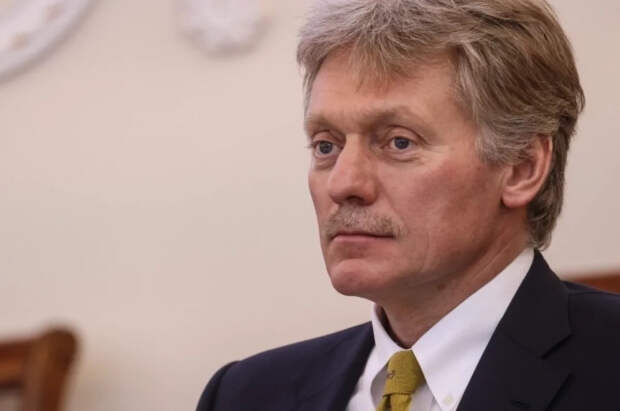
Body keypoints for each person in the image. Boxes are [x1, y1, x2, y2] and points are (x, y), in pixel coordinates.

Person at [197, 1, 620, 410]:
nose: (344, 183)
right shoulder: (244, 395)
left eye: (399, 142)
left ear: (521, 168)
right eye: (326, 146)